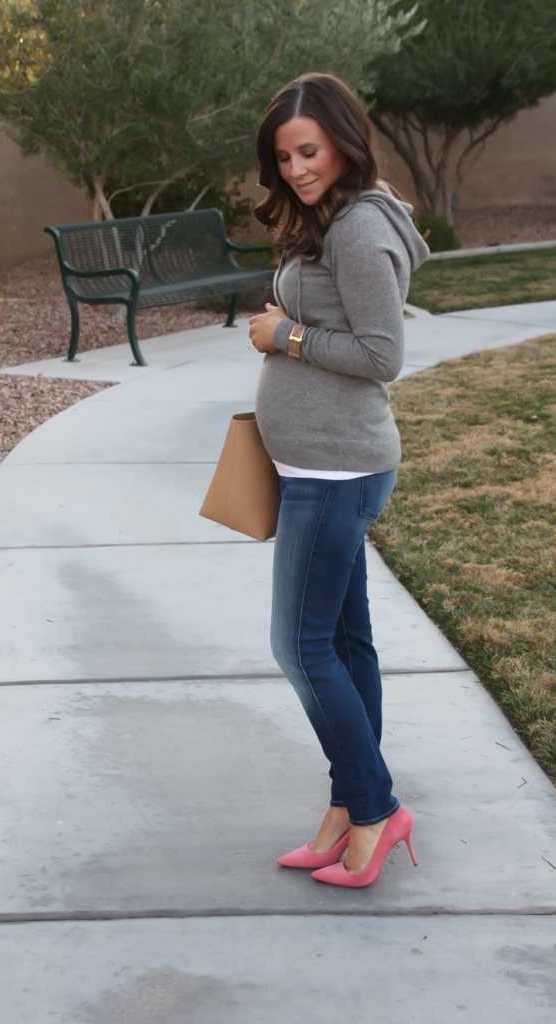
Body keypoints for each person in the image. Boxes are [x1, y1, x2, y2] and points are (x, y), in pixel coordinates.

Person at [248, 72, 428, 888]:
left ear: (344, 141)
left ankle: (374, 810)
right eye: (283, 155)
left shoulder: (358, 229)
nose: (294, 168)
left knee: (299, 645)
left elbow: (381, 356)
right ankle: (345, 808)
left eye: (308, 150)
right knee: (345, 642)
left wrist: (284, 338)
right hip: (314, 465)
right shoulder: (329, 218)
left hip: (337, 469)